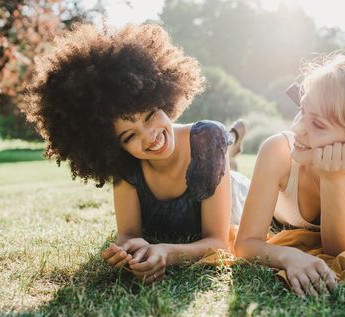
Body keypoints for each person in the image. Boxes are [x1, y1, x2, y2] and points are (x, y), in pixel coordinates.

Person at [23, 23, 248, 285]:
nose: (149, 136)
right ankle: (230, 145)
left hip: (234, 190)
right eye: (129, 136)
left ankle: (229, 143)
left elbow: (218, 242)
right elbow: (128, 234)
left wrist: (166, 252)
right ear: (113, 146)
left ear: (164, 98)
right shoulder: (125, 164)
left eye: (150, 115)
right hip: (203, 159)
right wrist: (129, 249)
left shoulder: (206, 139)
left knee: (219, 148)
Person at [234, 54, 345, 297]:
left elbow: (341, 252)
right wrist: (289, 257)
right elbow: (245, 244)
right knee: (230, 182)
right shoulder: (278, 151)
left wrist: (334, 179)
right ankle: (229, 149)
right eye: (302, 109)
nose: (297, 128)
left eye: (317, 125)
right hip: (252, 199)